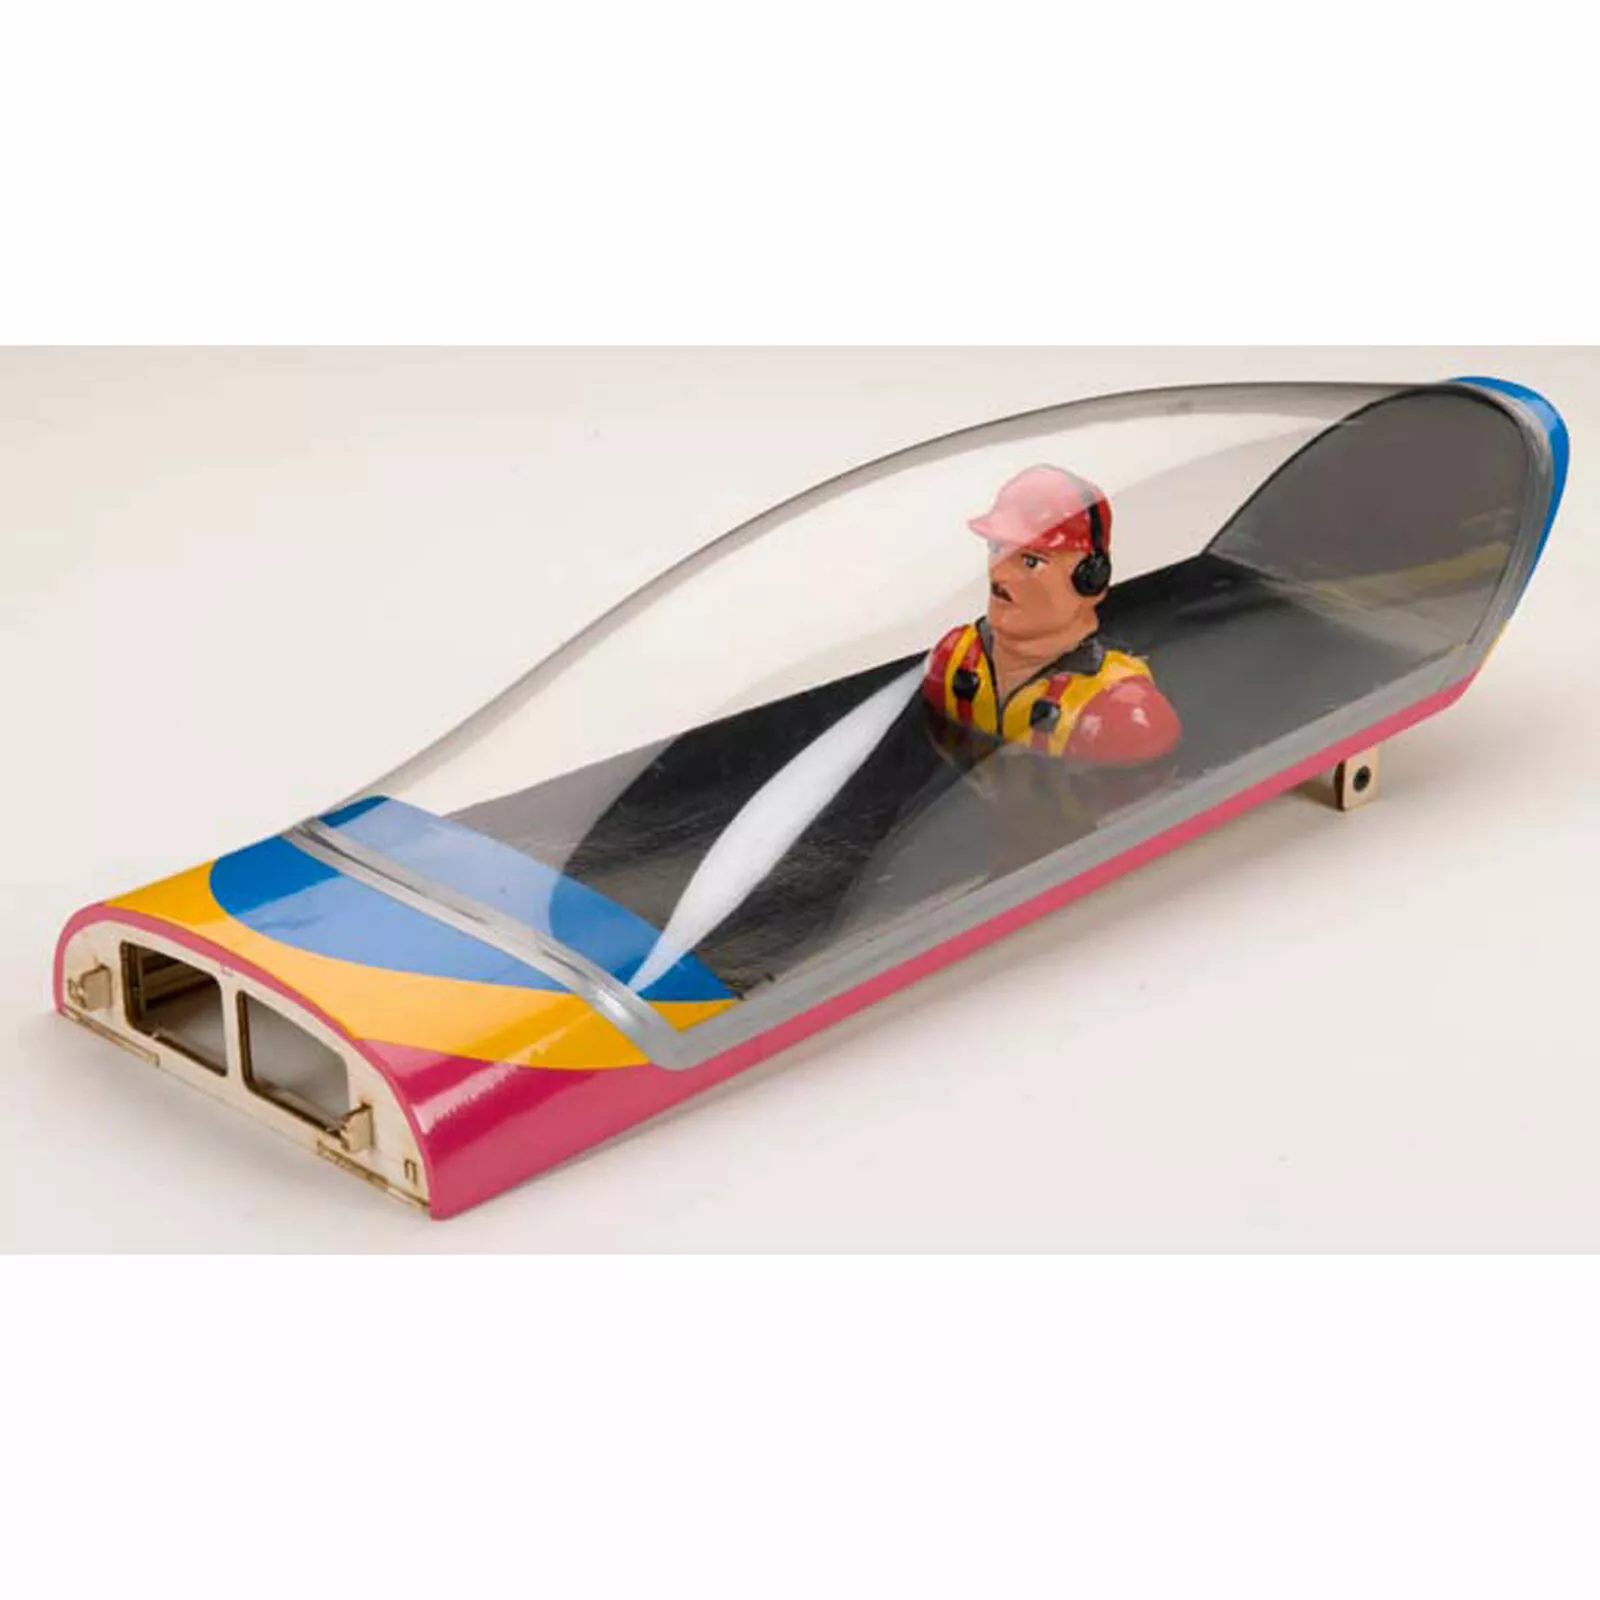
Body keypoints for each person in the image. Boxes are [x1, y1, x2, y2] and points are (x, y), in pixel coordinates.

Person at [922, 465, 1181, 763]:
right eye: (997, 547)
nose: (999, 573)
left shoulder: (1117, 711)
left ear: (1090, 578)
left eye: (1030, 561)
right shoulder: (952, 660)